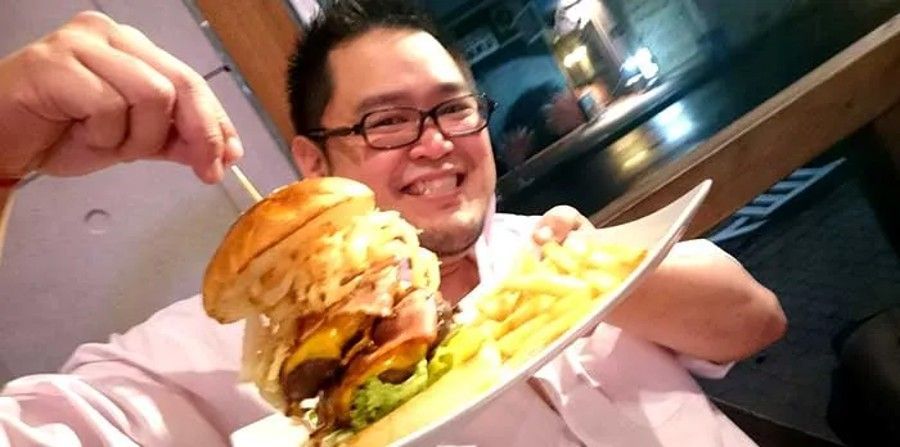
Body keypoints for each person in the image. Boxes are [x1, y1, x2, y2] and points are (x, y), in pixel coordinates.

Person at [0, 2, 786, 446]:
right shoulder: (205, 354)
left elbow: (755, 320)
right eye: (385, 123)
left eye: (452, 107)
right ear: (314, 162)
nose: (436, 141)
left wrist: (593, 281)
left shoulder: (551, 248)